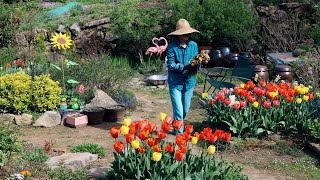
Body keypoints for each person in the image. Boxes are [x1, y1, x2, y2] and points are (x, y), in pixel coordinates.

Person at [166, 19, 200, 134]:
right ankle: (179, 134)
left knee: (185, 109)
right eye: (185, 32)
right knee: (179, 110)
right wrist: (185, 67)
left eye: (188, 32)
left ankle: (176, 123)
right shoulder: (171, 47)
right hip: (175, 82)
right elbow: (170, 65)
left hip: (189, 81)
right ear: (179, 34)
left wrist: (197, 65)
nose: (188, 34)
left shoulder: (194, 45)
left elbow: (196, 60)